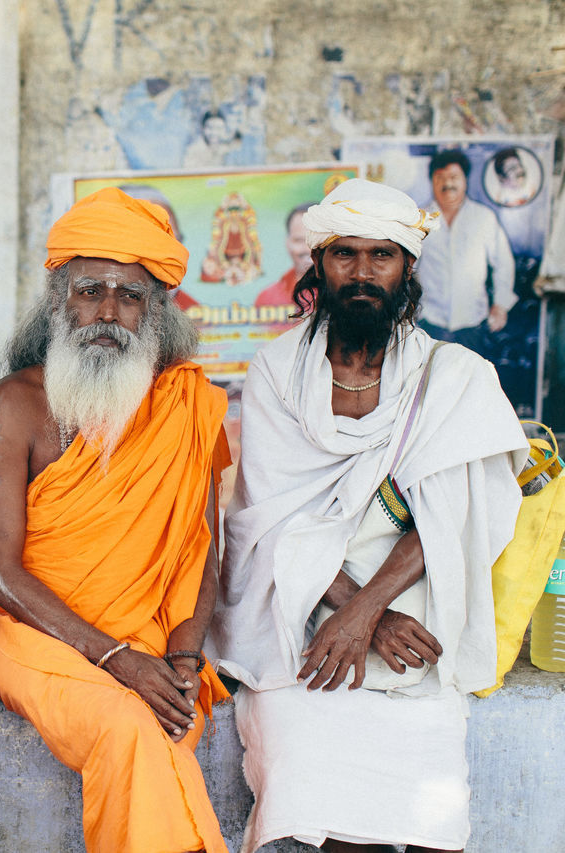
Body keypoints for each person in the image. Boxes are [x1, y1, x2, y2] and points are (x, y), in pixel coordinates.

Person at [210, 179, 526, 852]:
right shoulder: (273, 370)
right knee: (311, 779)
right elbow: (271, 514)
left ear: (408, 267)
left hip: (415, 604)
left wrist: (369, 613)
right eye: (344, 254)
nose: (361, 273)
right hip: (297, 606)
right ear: (318, 265)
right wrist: (356, 614)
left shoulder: (456, 375)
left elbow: (451, 511)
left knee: (426, 799)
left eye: (381, 255)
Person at [0, 186, 232, 853]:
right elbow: (0, 573)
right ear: (59, 300)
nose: (107, 313)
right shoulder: (11, 406)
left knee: (164, 720)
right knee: (128, 724)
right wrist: (120, 661)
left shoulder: (185, 404)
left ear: (156, 312)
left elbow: (204, 550)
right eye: (90, 290)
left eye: (130, 295)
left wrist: (182, 655)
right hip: (36, 636)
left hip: (152, 638)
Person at [415, 149, 516, 357]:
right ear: (432, 181)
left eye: (453, 177)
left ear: (465, 180)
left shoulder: (483, 218)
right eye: (440, 178)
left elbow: (503, 262)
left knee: (469, 385)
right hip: (428, 323)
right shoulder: (419, 220)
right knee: (429, 385)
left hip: (472, 324)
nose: (447, 183)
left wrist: (500, 304)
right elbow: (407, 268)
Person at [254, 203, 315, 310]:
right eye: (299, 240)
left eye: (314, 241)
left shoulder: (347, 295)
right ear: (288, 243)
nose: (307, 249)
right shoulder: (267, 299)